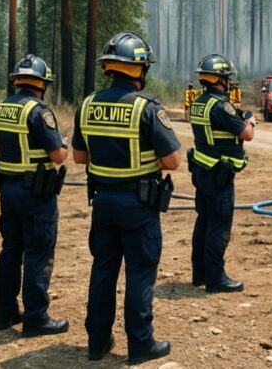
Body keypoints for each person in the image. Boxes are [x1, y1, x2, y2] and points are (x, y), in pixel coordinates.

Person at [73, 31, 180, 364]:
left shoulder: (87, 105)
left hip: (102, 203)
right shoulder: (146, 109)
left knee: (103, 269)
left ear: (109, 69)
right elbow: (172, 161)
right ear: (138, 70)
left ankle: (97, 342)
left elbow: (78, 157)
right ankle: (141, 344)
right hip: (138, 206)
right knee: (139, 272)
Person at [0, 54, 69, 336]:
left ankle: (5, 312)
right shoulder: (38, 111)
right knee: (38, 255)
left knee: (10, 251)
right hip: (36, 195)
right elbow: (58, 155)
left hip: (8, 191)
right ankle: (36, 318)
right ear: (42, 83)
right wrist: (63, 144)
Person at [189, 54, 255, 293]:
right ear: (219, 79)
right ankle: (216, 279)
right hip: (219, 177)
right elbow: (246, 134)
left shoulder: (199, 102)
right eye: (227, 78)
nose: (229, 82)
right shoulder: (220, 105)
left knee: (204, 222)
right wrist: (251, 121)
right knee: (218, 226)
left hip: (203, 172)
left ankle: (200, 274)